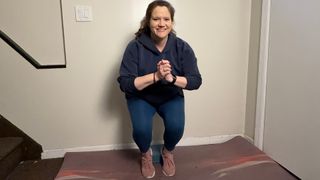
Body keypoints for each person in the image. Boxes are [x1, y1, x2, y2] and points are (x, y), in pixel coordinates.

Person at [117, 0, 202, 178]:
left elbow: (195, 81)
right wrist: (156, 76)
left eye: (166, 19)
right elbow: (125, 83)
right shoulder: (135, 47)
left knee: (176, 127)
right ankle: (145, 154)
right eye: (156, 19)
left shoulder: (182, 47)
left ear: (172, 22)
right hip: (141, 97)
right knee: (141, 131)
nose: (161, 24)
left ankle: (168, 152)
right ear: (148, 21)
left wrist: (172, 79)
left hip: (170, 96)